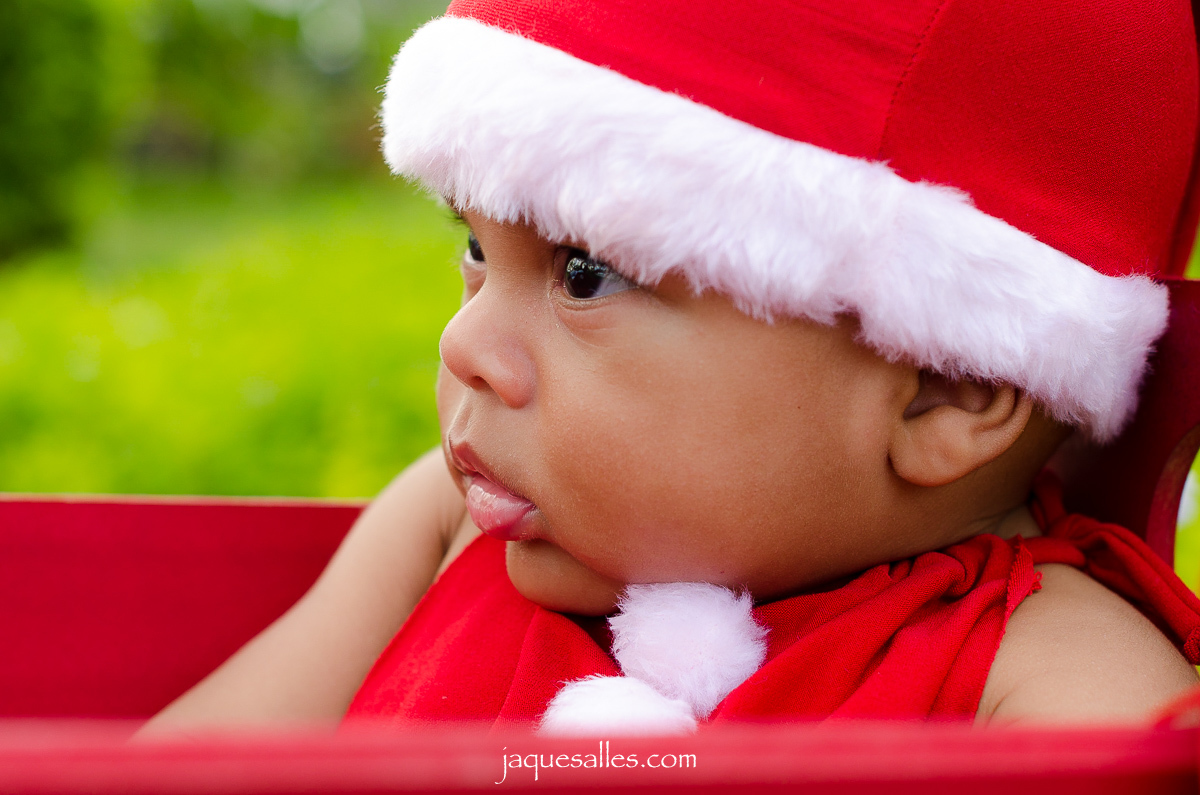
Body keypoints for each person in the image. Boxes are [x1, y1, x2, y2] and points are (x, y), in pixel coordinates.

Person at [139, 0, 1200, 733]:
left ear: (948, 382)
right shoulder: (446, 524)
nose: (461, 347)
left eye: (586, 276)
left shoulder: (1041, 677)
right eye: (473, 249)